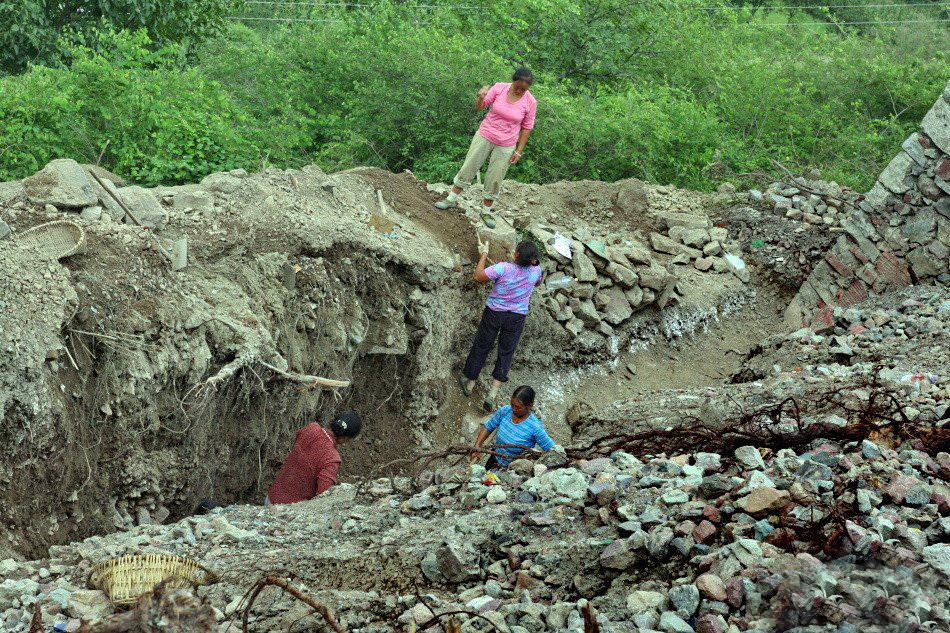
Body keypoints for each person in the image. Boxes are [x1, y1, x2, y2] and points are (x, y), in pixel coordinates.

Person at [435, 67, 537, 226]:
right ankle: (451, 199)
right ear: (513, 81)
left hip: (507, 143)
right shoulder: (499, 88)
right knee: (469, 166)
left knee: (496, 177)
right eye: (517, 87)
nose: (519, 91)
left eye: (523, 89)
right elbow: (480, 106)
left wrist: (518, 151)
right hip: (485, 134)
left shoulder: (530, 101)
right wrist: (481, 97)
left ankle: (486, 212)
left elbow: (527, 127)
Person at [461, 238, 543, 410]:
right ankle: (492, 394)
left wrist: (484, 253)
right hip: (517, 317)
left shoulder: (503, 268)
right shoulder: (536, 271)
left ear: (517, 255)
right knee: (506, 352)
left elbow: (478, 276)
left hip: (494, 313)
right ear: (532, 260)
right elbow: (538, 282)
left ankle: (470, 381)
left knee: (482, 344)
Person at [266, 411, 362, 505]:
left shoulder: (311, 428)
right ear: (346, 439)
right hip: (288, 510)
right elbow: (323, 497)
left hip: (271, 497)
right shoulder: (332, 459)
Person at [470, 386, 555, 468]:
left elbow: (553, 450)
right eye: (512, 405)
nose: (513, 409)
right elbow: (488, 426)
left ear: (529, 406)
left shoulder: (535, 427)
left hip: (513, 470)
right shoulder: (505, 411)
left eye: (518, 407)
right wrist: (477, 446)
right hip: (495, 458)